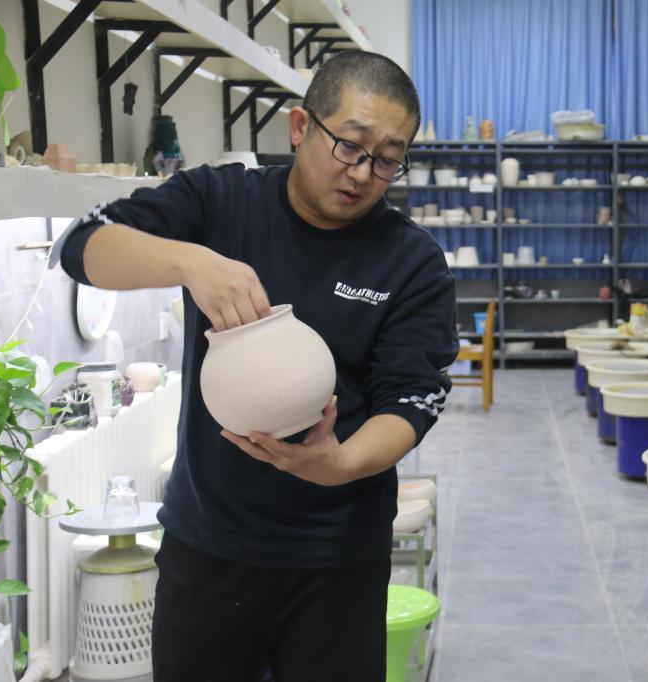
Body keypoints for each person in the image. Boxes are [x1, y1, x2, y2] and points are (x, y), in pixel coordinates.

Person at [59, 51, 458, 681]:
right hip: (208, 545)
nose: (362, 173)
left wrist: (339, 464)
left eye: (388, 159)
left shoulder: (412, 262)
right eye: (349, 146)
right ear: (300, 127)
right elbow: (82, 247)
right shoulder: (219, 200)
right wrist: (190, 262)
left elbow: (411, 399)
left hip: (337, 556)